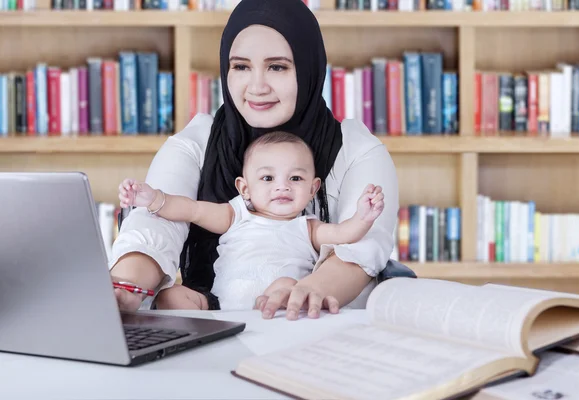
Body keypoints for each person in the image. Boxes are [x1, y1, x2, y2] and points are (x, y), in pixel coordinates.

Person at [109, 0, 399, 320]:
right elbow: (154, 228)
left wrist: (304, 292)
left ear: (308, 68)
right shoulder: (198, 142)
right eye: (241, 66)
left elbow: (359, 250)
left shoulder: (357, 149)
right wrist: (123, 288)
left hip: (321, 329)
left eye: (277, 66)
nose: (257, 87)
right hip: (216, 328)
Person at [117, 131, 386, 310]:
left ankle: (271, 311)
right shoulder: (235, 215)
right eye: (268, 178)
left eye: (295, 178)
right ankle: (193, 340)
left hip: (276, 305)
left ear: (314, 188)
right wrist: (153, 198)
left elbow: (344, 234)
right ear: (244, 188)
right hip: (219, 306)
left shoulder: (308, 227)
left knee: (285, 285)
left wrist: (364, 216)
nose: (282, 187)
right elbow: (191, 210)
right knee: (171, 296)